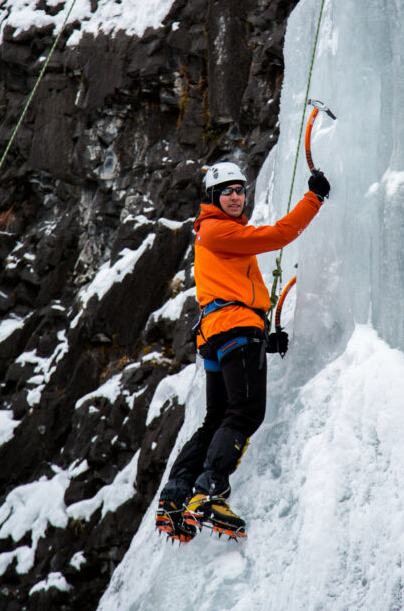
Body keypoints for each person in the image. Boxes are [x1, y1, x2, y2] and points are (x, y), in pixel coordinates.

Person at [155, 161, 330, 542]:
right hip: (234, 327)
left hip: (219, 332)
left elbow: (229, 289)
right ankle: (210, 488)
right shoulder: (218, 230)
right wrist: (313, 198)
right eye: (227, 191)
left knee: (216, 416)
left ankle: (175, 496)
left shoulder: (211, 233)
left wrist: (262, 339)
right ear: (213, 197)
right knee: (245, 411)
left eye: (239, 190)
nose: (235, 196)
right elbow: (279, 235)